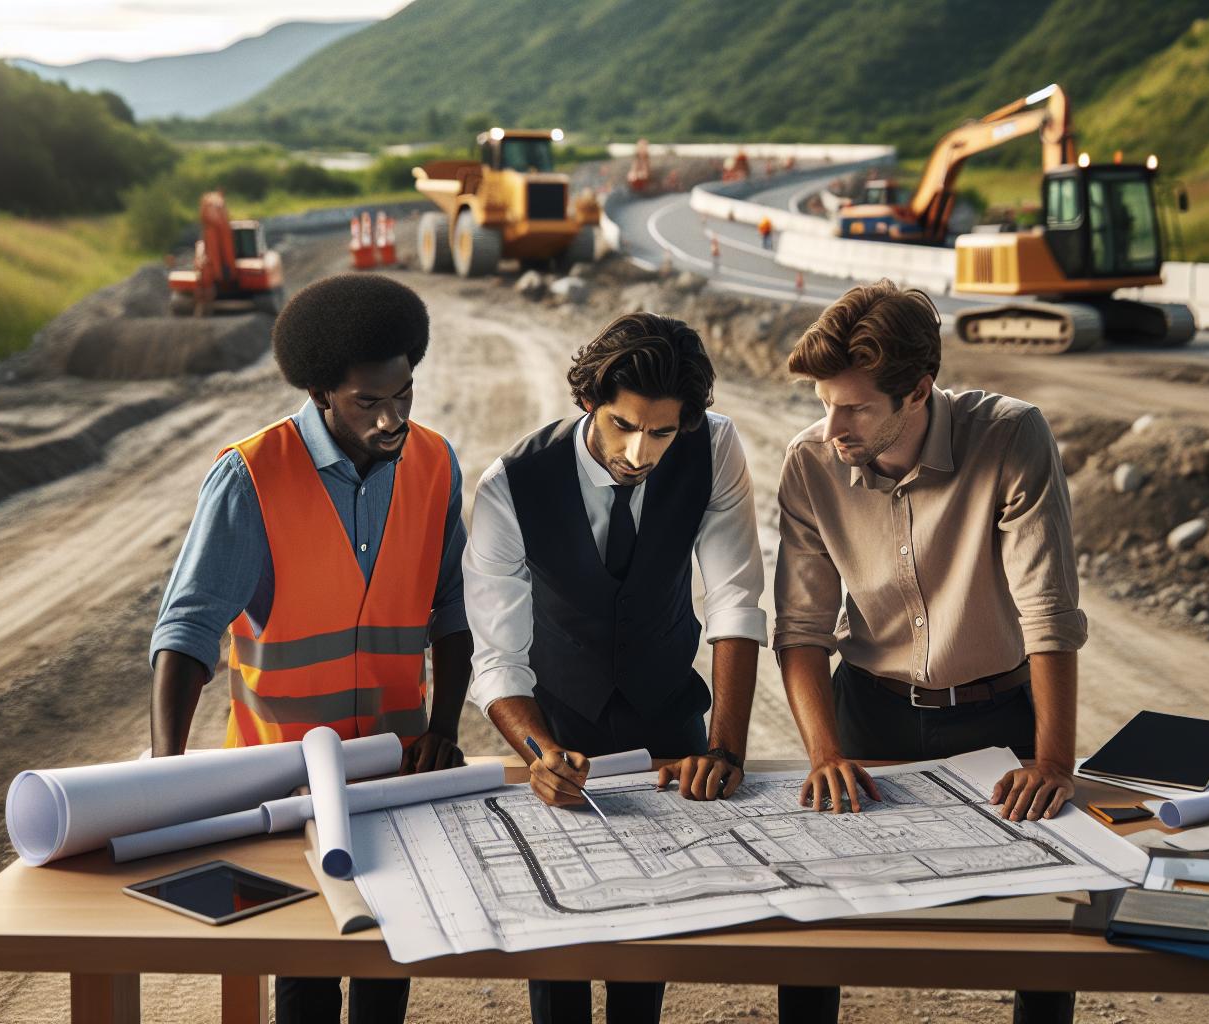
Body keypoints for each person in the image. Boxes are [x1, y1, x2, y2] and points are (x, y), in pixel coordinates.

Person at [150, 273, 470, 1024]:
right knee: (306, 971)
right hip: (278, 785)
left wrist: (444, 729)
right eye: (369, 402)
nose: (392, 419)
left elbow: (451, 613)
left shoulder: (435, 464)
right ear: (323, 392)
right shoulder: (251, 476)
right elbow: (187, 632)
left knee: (393, 953)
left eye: (405, 395)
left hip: (392, 775)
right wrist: (165, 774)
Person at [771, 280, 1088, 1024]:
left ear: (918, 391)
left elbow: (1048, 609)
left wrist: (1053, 762)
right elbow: (801, 628)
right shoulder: (811, 463)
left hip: (999, 717)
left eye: (854, 407)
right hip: (866, 714)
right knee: (823, 914)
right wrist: (824, 754)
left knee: (1043, 919)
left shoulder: (1012, 435)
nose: (832, 425)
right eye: (824, 402)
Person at [466, 312, 766, 1024]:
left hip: (671, 717)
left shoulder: (715, 449)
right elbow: (497, 657)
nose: (641, 451)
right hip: (559, 719)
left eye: (662, 432)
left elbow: (735, 600)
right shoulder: (510, 486)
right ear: (589, 403)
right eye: (624, 425)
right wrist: (541, 756)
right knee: (562, 950)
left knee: (648, 948)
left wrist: (725, 745)